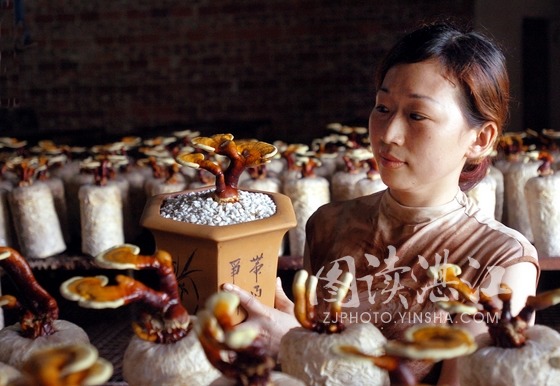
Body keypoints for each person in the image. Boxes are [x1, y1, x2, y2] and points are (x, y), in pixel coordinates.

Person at [223, 21, 539, 386]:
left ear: (480, 139)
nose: (388, 134)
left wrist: (297, 343)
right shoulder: (329, 225)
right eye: (383, 107)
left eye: (417, 116)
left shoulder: (500, 260)